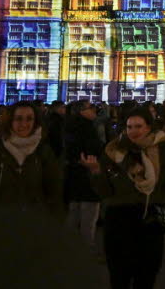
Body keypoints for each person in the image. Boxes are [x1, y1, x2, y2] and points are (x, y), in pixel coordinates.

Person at [82, 108, 165, 289]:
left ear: (149, 127)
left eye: (139, 126)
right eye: (129, 127)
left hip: (151, 216)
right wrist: (96, 172)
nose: (133, 131)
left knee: (147, 274)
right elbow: (105, 192)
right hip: (119, 218)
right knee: (119, 275)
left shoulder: (164, 149)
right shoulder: (113, 151)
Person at [0, 101, 63, 214]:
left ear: (35, 122)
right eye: (18, 119)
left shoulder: (43, 152)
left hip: (34, 223)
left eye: (29, 119)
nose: (23, 124)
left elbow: (54, 192)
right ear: (10, 121)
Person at [64, 101, 104, 252]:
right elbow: (94, 149)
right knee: (88, 216)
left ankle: (69, 248)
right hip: (87, 174)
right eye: (90, 107)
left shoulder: (70, 127)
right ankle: (86, 251)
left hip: (74, 176)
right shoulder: (86, 128)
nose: (94, 110)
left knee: (74, 212)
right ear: (81, 111)